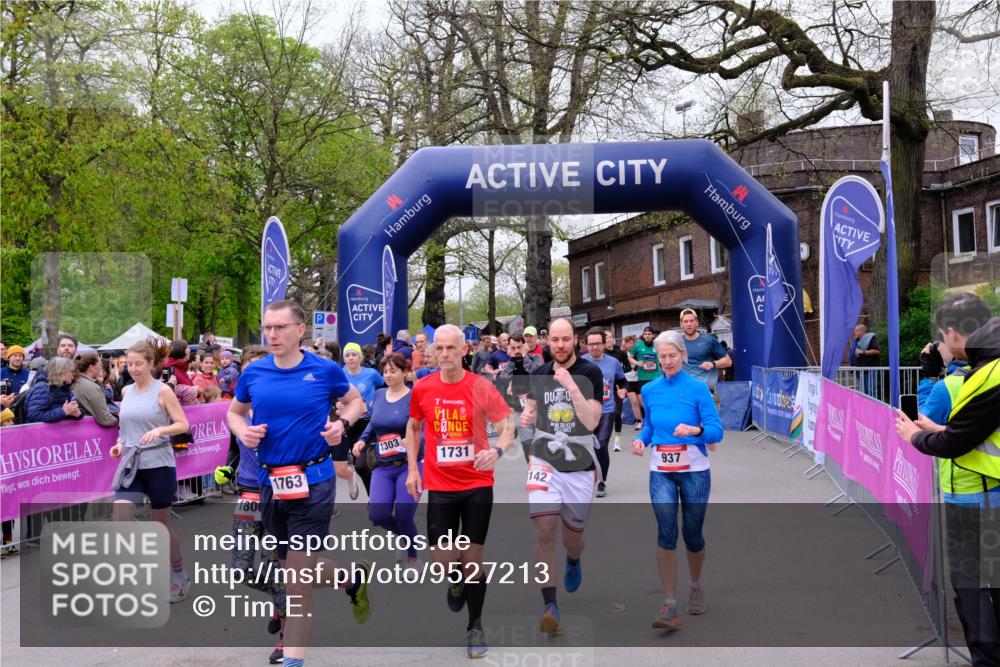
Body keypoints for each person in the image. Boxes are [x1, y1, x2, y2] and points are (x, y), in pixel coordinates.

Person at [228, 300, 371, 667]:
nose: (272, 334)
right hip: (270, 482)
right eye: (267, 328)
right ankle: (348, 576)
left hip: (315, 480)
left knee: (295, 583)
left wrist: (343, 424)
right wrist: (245, 432)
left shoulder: (324, 370)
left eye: (280, 327)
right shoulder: (254, 373)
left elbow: (354, 402)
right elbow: (234, 412)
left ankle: (292, 660)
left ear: (300, 330)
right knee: (288, 569)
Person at [895, 294, 999, 666]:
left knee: (973, 592)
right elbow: (974, 431)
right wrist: (940, 429)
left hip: (977, 500)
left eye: (942, 336)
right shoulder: (985, 368)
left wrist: (916, 436)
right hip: (983, 495)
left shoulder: (984, 376)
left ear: (953, 333)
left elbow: (956, 440)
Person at [405, 323, 515, 659]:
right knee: (441, 561)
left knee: (471, 559)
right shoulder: (423, 388)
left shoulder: (480, 387)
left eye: (451, 348)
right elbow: (413, 427)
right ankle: (454, 578)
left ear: (464, 350)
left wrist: (496, 451)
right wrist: (412, 468)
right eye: (439, 348)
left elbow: (507, 425)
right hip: (440, 484)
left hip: (477, 484)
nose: (444, 354)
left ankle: (475, 625)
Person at [630, 330, 723, 631]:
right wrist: (642, 441)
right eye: (662, 357)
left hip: (695, 469)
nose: (667, 361)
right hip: (661, 470)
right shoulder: (650, 390)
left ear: (683, 355)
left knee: (693, 533)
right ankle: (670, 602)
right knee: (666, 531)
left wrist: (695, 431)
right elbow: (649, 426)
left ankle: (695, 585)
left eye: (672, 355)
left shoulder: (697, 389)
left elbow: (716, 432)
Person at [520, 317, 603, 634]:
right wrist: (528, 440)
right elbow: (528, 416)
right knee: (544, 529)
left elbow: (592, 421)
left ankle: (572, 558)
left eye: (565, 339)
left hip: (579, 464)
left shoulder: (589, 372)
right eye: (554, 339)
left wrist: (571, 386)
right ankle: (549, 605)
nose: (560, 345)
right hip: (545, 461)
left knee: (572, 539)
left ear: (575, 340)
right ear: (547, 342)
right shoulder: (538, 373)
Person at [213, 345, 288, 664]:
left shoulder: (285, 408)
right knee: (241, 569)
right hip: (247, 496)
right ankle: (278, 598)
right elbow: (234, 447)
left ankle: (285, 638)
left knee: (277, 567)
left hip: (277, 497)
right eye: (249, 371)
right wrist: (227, 467)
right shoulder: (237, 412)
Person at [109, 338, 192, 603]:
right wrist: (119, 444)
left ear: (151, 364)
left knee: (161, 526)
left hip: (159, 465)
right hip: (132, 465)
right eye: (128, 364)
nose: (132, 368)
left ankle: (178, 575)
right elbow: (125, 428)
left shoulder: (163, 391)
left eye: (137, 364)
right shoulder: (126, 392)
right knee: (120, 520)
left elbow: (182, 424)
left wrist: (160, 430)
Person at [353, 353, 423, 567]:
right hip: (383, 465)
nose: (388, 374)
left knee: (403, 515)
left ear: (405, 372)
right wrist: (363, 439)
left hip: (408, 465)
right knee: (379, 515)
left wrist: (409, 439)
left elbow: (423, 427)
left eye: (393, 370)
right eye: (385, 371)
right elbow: (374, 422)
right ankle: (405, 536)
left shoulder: (414, 397)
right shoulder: (381, 394)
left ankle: (413, 556)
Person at [582, 327, 626, 497]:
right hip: (585, 411)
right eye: (591, 344)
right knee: (585, 446)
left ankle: (601, 481)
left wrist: (622, 390)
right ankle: (587, 476)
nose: (594, 348)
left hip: (607, 409)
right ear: (586, 345)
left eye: (598, 344)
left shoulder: (613, 362)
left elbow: (623, 381)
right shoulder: (580, 362)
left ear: (604, 343)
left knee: (600, 444)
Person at [341, 342, 385, 497]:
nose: (351, 358)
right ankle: (374, 495)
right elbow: (333, 395)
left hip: (368, 422)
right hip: (350, 423)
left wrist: (378, 400)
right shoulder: (340, 375)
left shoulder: (371, 374)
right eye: (347, 355)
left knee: (363, 463)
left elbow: (384, 386)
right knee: (360, 466)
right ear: (344, 359)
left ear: (360, 357)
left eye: (354, 355)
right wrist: (338, 405)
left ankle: (376, 497)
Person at [496, 334, 544, 461]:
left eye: (519, 347)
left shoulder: (536, 358)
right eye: (513, 348)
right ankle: (532, 473)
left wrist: (524, 356)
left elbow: (536, 373)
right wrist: (512, 360)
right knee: (528, 446)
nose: (517, 351)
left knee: (542, 445)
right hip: (520, 410)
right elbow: (503, 377)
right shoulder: (511, 363)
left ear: (525, 346)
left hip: (538, 409)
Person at [678, 309, 731, 394]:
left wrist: (712, 364)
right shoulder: (678, 342)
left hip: (705, 391)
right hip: (685, 391)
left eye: (692, 321)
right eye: (685, 321)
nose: (689, 324)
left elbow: (728, 361)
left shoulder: (709, 340)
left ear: (697, 322)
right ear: (681, 324)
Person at [25, 357, 81, 423]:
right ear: (61, 372)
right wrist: (63, 411)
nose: (73, 375)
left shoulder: (63, 387)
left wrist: (77, 414)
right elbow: (34, 416)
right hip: (42, 433)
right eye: (71, 371)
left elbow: (67, 412)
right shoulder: (43, 388)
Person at [73, 353, 118, 426]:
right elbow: (105, 418)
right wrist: (119, 421)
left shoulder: (78, 381)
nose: (101, 367)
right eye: (100, 365)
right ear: (91, 367)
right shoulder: (91, 386)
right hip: (90, 430)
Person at [604, 332, 631, 452]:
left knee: (617, 414)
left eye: (610, 337)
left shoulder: (620, 353)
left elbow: (628, 367)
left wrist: (617, 372)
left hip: (617, 386)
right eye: (606, 338)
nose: (609, 340)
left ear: (613, 339)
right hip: (604, 386)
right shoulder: (601, 354)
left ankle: (617, 441)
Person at [627, 327, 659, 428]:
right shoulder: (638, 346)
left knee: (656, 400)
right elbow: (629, 357)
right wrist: (637, 363)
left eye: (649, 334)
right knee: (645, 402)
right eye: (645, 334)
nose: (647, 336)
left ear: (653, 335)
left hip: (656, 376)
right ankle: (648, 421)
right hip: (643, 378)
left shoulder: (657, 345)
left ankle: (656, 421)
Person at [849, 323, 880, 397]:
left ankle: (874, 406)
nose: (855, 332)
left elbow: (877, 351)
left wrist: (863, 352)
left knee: (871, 389)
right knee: (863, 390)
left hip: (870, 368)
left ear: (862, 331)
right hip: (860, 369)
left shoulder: (870, 338)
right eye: (855, 331)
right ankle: (866, 407)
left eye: (856, 331)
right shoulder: (856, 341)